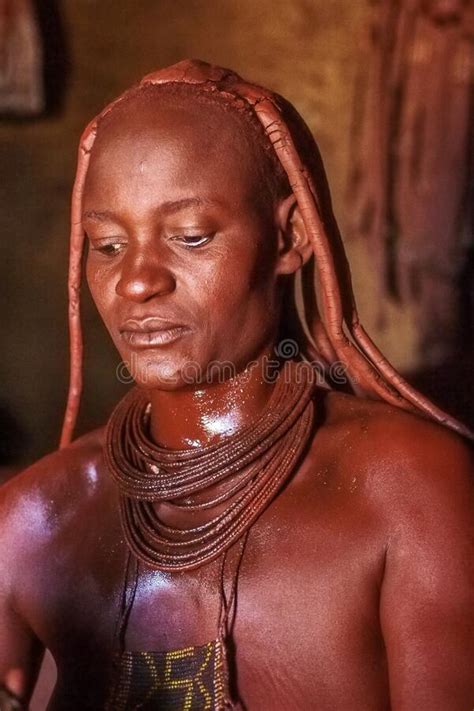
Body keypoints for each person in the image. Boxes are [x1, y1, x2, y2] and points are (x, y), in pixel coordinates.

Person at [0, 59, 472, 711]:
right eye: (106, 245)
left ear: (290, 237)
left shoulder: (408, 491)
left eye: (191, 236)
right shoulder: (32, 520)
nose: (136, 281)